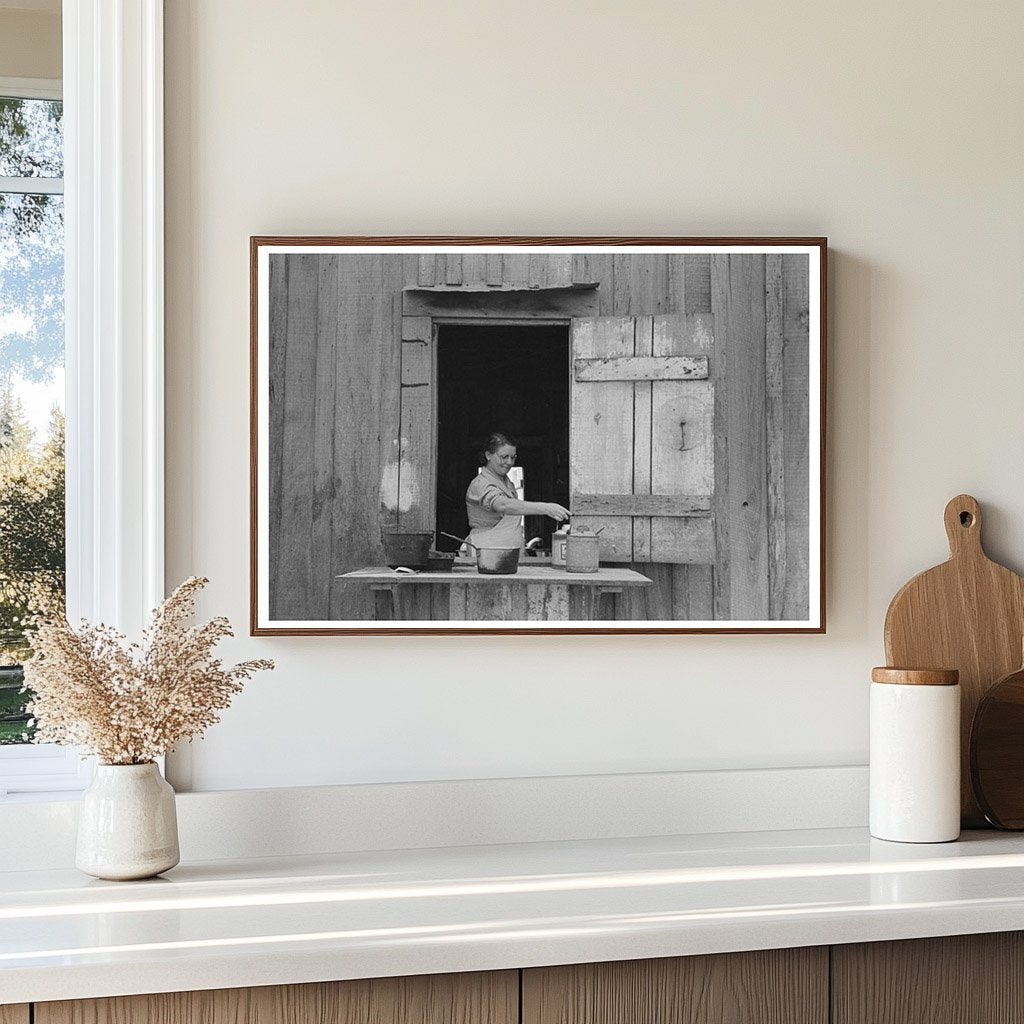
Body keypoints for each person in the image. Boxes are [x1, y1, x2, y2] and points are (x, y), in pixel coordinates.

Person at [465, 432, 570, 550]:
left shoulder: (506, 482)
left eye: (513, 457)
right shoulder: (481, 484)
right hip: (485, 550)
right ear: (488, 455)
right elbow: (503, 505)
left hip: (507, 549)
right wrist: (546, 508)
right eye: (504, 457)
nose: (509, 462)